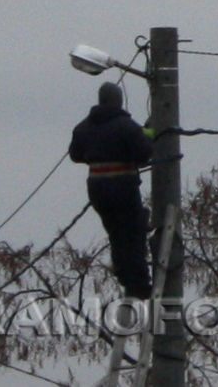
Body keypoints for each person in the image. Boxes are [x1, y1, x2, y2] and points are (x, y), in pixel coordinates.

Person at [69, 82, 154, 299]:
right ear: (118, 100)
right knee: (133, 232)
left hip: (97, 188)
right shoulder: (126, 126)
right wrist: (149, 133)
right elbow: (144, 153)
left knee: (116, 234)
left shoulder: (82, 128)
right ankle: (139, 283)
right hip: (122, 185)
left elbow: (75, 154)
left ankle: (125, 276)